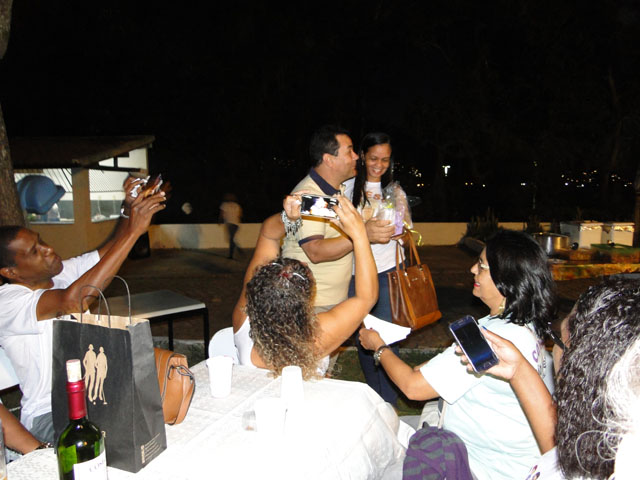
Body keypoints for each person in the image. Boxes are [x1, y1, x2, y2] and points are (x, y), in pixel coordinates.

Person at [359, 229, 556, 480]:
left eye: (482, 266)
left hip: (483, 469)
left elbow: (413, 387)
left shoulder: (491, 338)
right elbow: (426, 372)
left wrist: (379, 347)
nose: (473, 269)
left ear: (506, 278)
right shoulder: (524, 325)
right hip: (515, 463)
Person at [0, 176, 165, 443]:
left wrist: (129, 208)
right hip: (49, 413)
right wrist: (134, 231)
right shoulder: (7, 302)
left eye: (41, 241)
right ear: (11, 272)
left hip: (95, 397)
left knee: (159, 422)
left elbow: (110, 252)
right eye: (35, 252)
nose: (48, 249)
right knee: (120, 443)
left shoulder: (61, 274)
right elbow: (72, 302)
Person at [459, 277, 640, 480]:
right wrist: (519, 371)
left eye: (557, 339)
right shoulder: (611, 439)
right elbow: (566, 448)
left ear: (583, 366)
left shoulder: (623, 465)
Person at [232, 193, 378, 379]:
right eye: (305, 269)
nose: (305, 262)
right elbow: (366, 297)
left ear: (257, 289)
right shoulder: (318, 335)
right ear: (306, 299)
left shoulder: (243, 318)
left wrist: (287, 218)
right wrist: (359, 234)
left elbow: (268, 234)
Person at [282, 125, 394, 312]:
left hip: (331, 300)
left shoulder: (335, 190)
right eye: (349, 151)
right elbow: (315, 251)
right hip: (314, 304)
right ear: (329, 160)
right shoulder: (310, 195)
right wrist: (362, 234)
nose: (356, 157)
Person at [343, 132, 411, 406]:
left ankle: (388, 401)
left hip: (389, 271)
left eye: (385, 160)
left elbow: (408, 234)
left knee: (387, 337)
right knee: (364, 337)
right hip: (357, 273)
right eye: (373, 158)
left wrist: (401, 231)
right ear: (362, 156)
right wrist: (364, 228)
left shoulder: (394, 191)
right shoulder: (348, 190)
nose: (379, 165)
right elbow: (339, 232)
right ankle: (377, 395)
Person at [219, 193, 242, 259]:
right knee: (231, 239)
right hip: (236, 224)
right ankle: (235, 251)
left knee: (231, 239)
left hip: (229, 223)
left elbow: (221, 213)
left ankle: (232, 253)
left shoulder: (224, 204)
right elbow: (240, 215)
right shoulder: (237, 205)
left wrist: (220, 220)